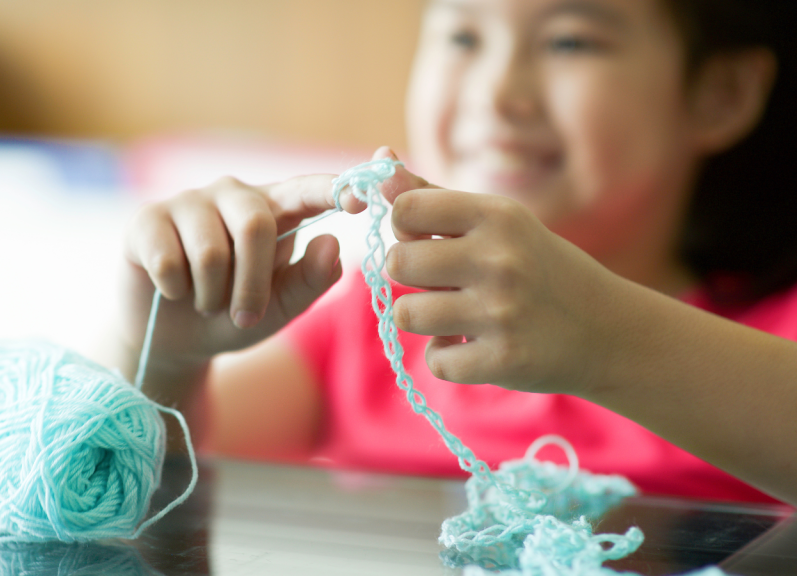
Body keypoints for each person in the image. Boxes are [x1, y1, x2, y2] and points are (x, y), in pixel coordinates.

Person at [114, 0, 797, 507]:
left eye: (570, 42)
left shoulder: (774, 338)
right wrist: (164, 358)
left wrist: (606, 337)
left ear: (721, 94)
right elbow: (148, 479)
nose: (497, 94)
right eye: (464, 34)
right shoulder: (375, 318)